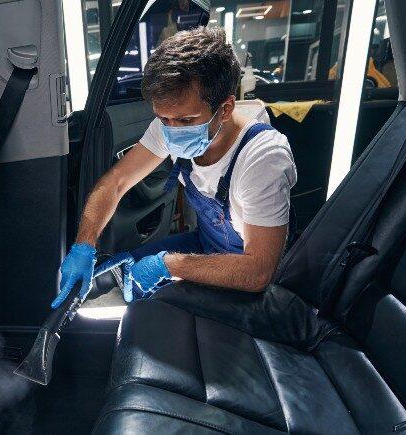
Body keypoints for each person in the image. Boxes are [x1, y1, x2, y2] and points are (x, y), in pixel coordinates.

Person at [51, 27, 296, 309]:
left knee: (160, 307)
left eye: (186, 120)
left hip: (249, 271)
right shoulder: (170, 124)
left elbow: (259, 272)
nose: (172, 131)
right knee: (124, 283)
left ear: (226, 108)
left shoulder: (263, 159)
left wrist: (168, 265)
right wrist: (84, 246)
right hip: (207, 245)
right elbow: (116, 181)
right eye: (163, 118)